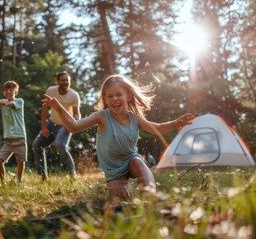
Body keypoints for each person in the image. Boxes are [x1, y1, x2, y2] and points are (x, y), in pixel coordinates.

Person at [42, 74, 194, 200]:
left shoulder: (134, 118)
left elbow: (158, 129)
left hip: (130, 160)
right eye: (110, 96)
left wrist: (176, 123)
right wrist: (58, 108)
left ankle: (151, 197)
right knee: (119, 199)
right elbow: (73, 127)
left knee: (138, 163)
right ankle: (123, 190)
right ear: (105, 99)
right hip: (113, 170)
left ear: (128, 96)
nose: (114, 99)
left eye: (118, 94)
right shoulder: (102, 116)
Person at [32, 71, 81, 181]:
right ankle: (43, 176)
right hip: (51, 124)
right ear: (58, 81)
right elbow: (45, 109)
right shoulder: (51, 91)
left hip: (65, 125)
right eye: (63, 80)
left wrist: (76, 121)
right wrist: (44, 127)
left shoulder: (74, 95)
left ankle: (72, 174)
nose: (65, 82)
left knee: (60, 145)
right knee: (36, 145)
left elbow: (77, 113)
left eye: (67, 80)